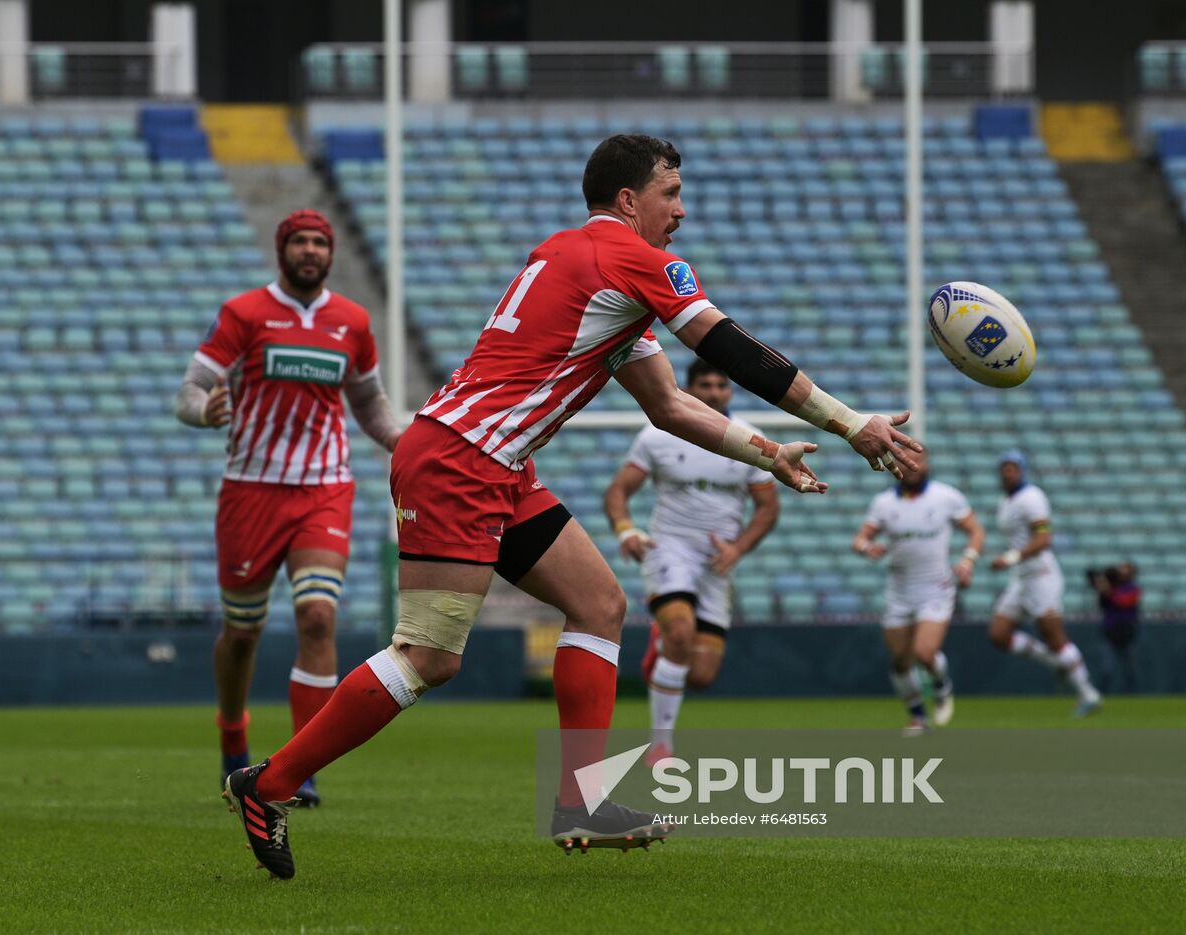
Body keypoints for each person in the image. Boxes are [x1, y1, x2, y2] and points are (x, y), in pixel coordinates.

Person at [222, 134, 921, 879]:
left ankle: (580, 799)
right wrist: (851, 422)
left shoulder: (574, 261)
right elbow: (732, 351)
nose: (680, 211)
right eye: (671, 193)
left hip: (493, 460)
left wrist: (766, 451)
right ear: (629, 201)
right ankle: (268, 784)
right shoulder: (634, 261)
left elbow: (668, 404)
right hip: (461, 458)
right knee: (428, 655)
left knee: (599, 602)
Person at [176, 209, 400, 806]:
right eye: (299, 241)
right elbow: (189, 392)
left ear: (330, 253)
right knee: (243, 633)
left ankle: (302, 765)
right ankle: (233, 736)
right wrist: (205, 412)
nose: (309, 250)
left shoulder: (352, 322)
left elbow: (370, 406)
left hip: (323, 488)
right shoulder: (245, 313)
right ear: (283, 250)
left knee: (318, 619)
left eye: (319, 242)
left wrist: (409, 442)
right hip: (250, 490)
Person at [602, 361, 779, 761]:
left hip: (718, 561)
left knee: (700, 675)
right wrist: (626, 530)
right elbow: (618, 491)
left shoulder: (752, 439)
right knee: (681, 636)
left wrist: (738, 548)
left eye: (721, 385)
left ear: (730, 392)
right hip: (670, 548)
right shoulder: (658, 435)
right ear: (689, 388)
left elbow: (767, 508)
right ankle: (660, 745)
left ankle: (660, 643)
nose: (714, 392)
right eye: (706, 385)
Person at [851, 449, 984, 734]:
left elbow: (975, 531)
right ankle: (918, 717)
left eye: (918, 460)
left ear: (927, 464)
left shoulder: (946, 497)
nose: (911, 465)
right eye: (905, 460)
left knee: (925, 652)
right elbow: (860, 538)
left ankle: (941, 685)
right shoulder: (884, 503)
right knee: (900, 662)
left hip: (935, 587)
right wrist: (867, 547)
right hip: (899, 590)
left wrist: (968, 560)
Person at [987, 450, 1101, 716]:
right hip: (1023, 578)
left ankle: (1088, 693)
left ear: (1023, 470)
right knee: (999, 634)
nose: (1008, 472)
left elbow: (1043, 539)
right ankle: (1057, 663)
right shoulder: (1006, 500)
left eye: (1014, 467)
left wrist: (1011, 557)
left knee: (1055, 638)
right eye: (1004, 467)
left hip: (1041, 576)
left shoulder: (1031, 498)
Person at [1090, 562, 1140, 693]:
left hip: (1127, 631)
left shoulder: (1132, 588)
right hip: (1110, 632)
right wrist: (1101, 588)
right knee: (1107, 667)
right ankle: (1101, 695)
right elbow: (1100, 604)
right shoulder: (1110, 588)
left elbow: (1125, 601)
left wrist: (1108, 591)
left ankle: (1131, 695)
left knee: (1130, 668)